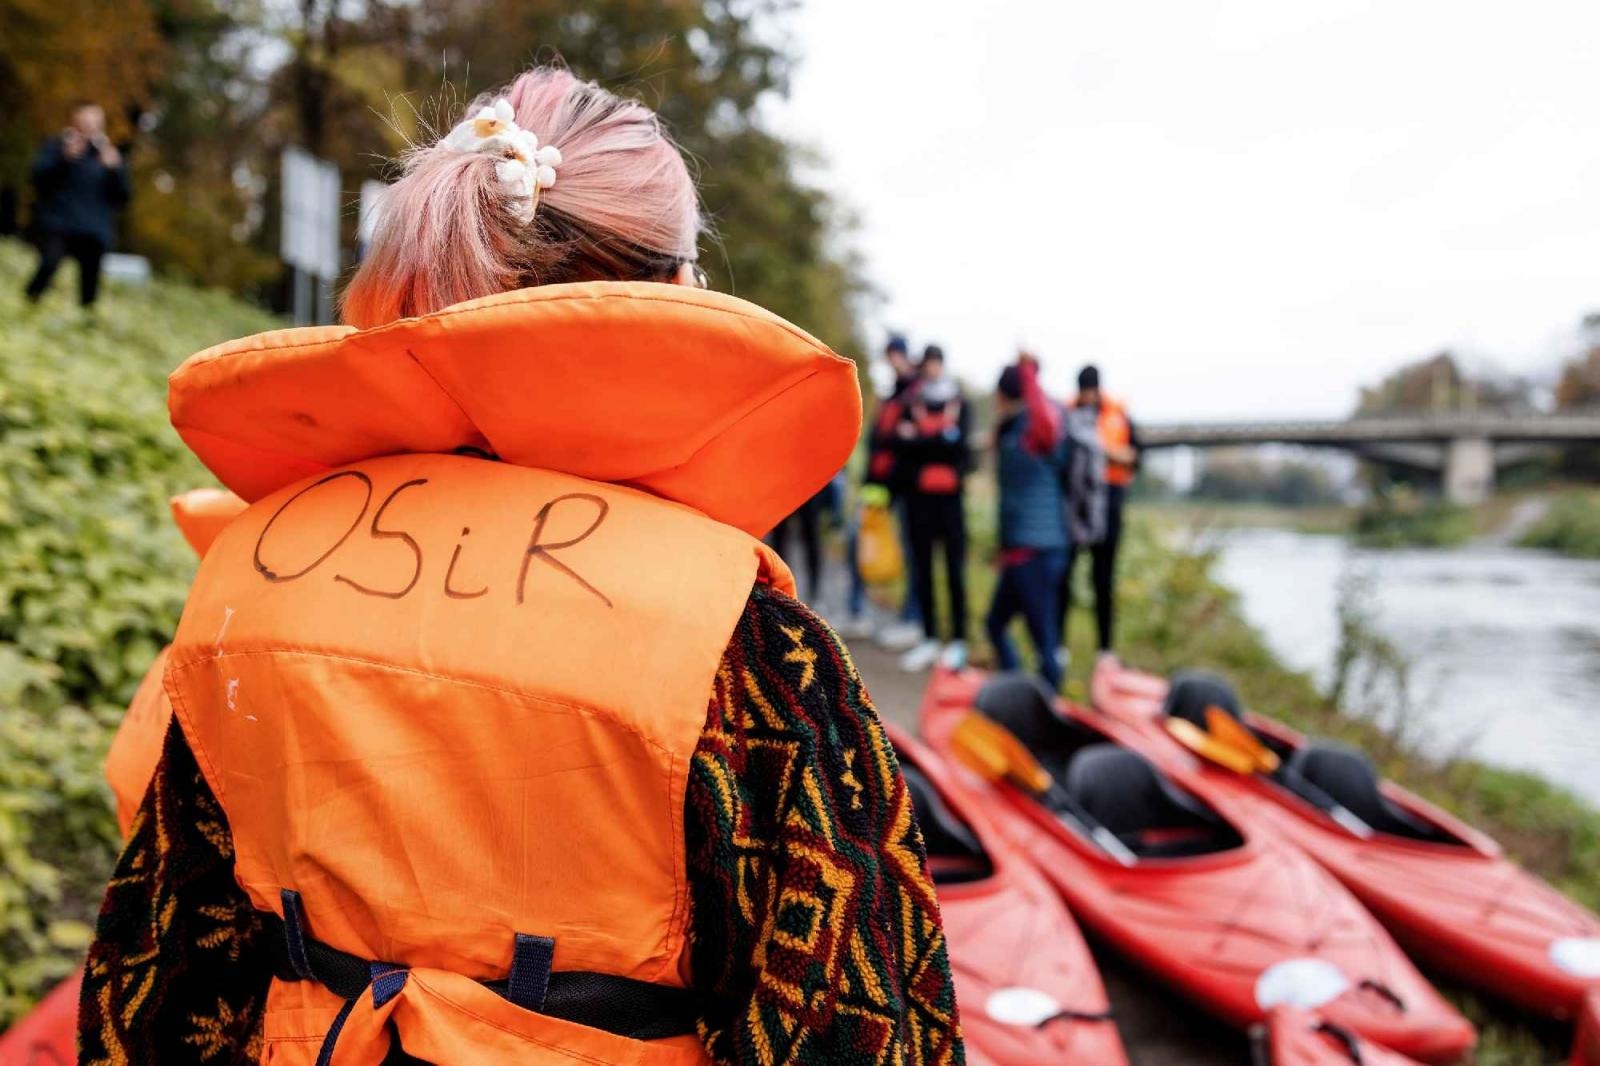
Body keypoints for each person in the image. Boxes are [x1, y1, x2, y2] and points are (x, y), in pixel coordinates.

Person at [78, 67, 962, 1066]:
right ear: (672, 293)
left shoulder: (246, 583)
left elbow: (152, 989)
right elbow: (860, 1031)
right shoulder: (743, 644)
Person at [985, 355, 1068, 690]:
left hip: (1037, 552)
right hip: (1023, 550)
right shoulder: (1013, 429)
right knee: (995, 623)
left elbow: (1047, 421)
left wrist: (1029, 374)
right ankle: (1017, 689)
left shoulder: (1038, 428)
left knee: (1042, 635)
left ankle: (1048, 703)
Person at [897, 344, 971, 672]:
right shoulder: (911, 402)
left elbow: (962, 450)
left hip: (950, 503)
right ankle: (929, 637)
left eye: (935, 364)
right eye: (927, 365)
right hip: (919, 502)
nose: (931, 370)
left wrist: (922, 439)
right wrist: (941, 439)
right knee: (923, 570)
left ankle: (959, 640)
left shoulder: (960, 403)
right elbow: (902, 445)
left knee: (954, 571)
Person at [1059, 363, 1140, 662]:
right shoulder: (1066, 415)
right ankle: (1059, 645)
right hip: (1075, 505)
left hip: (1109, 504)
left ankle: (1105, 650)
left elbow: (1133, 455)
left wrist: (1101, 449)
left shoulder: (1119, 416)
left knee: (1103, 579)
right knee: (1063, 577)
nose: (1089, 396)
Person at [22, 101, 129, 310]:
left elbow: (123, 197)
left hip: (94, 230)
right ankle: (28, 303)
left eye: (94, 121)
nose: (89, 125)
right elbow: (36, 179)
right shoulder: (57, 146)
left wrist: (115, 170)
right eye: (85, 120)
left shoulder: (109, 156)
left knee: (90, 284)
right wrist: (64, 158)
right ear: (75, 120)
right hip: (60, 223)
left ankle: (85, 321)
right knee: (48, 264)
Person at [863, 334, 925, 647]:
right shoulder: (891, 396)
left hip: (902, 488)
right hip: (880, 485)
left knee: (911, 552)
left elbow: (911, 441)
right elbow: (879, 440)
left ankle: (911, 619)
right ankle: (859, 609)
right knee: (860, 542)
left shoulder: (915, 393)